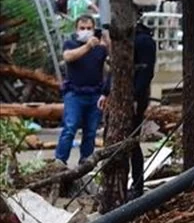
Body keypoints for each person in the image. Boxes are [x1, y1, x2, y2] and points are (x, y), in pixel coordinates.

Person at [100, 19, 157, 199]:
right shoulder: (122, 39)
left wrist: (134, 96)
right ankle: (114, 186)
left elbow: (146, 73)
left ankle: (137, 186)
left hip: (135, 98)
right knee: (114, 136)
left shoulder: (143, 41)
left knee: (132, 142)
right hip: (118, 96)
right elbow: (114, 69)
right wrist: (105, 92)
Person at [55, 15, 109, 167]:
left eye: (89, 28)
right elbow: (68, 57)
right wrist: (88, 46)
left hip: (95, 94)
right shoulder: (70, 44)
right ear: (76, 30)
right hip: (75, 93)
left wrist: (106, 41)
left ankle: (85, 161)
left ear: (94, 29)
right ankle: (60, 159)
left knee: (91, 131)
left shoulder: (100, 49)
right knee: (70, 127)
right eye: (82, 28)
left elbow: (111, 62)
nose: (85, 31)